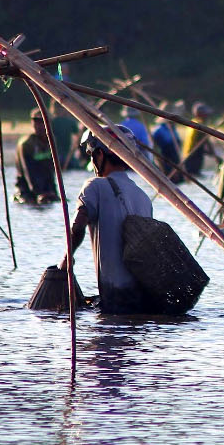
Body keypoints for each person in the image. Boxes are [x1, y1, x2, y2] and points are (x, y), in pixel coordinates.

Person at [61, 124, 154, 314]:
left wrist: (66, 260)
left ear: (100, 155)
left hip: (114, 298)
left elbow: (77, 227)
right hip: (141, 299)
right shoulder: (143, 197)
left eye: (92, 155)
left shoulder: (95, 186)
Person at [15, 108, 59, 203]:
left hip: (46, 188)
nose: (39, 126)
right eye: (36, 122)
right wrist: (38, 193)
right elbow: (28, 172)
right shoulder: (26, 144)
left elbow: (51, 171)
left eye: (42, 122)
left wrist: (53, 192)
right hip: (26, 189)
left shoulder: (51, 142)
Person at [180, 101, 220, 178]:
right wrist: (216, 158)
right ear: (200, 114)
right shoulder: (199, 125)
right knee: (194, 175)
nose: (207, 116)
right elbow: (206, 142)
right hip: (192, 157)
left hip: (189, 155)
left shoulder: (193, 122)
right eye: (205, 114)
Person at [151, 100, 185, 182]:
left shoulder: (173, 129)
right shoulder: (159, 130)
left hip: (176, 164)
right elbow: (154, 150)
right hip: (165, 165)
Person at [46, 99, 81, 170]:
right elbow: (78, 138)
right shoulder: (53, 121)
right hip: (58, 155)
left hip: (65, 156)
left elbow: (77, 138)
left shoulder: (69, 122)